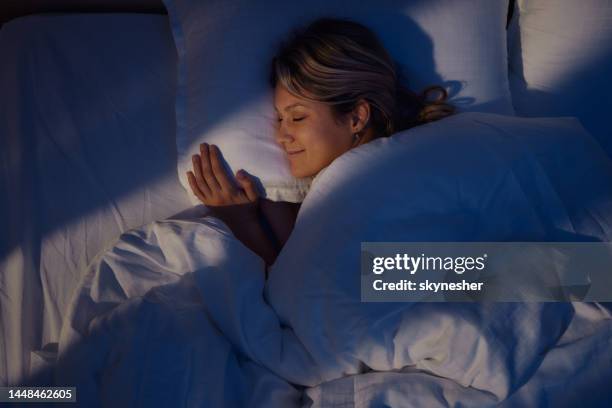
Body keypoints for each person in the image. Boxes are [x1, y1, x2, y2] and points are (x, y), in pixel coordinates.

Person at [185, 18, 454, 271]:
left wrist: (244, 225)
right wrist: (254, 223)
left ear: (356, 117)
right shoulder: (318, 201)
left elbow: (480, 275)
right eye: (279, 118)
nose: (281, 136)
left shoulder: (410, 170)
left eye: (298, 117)